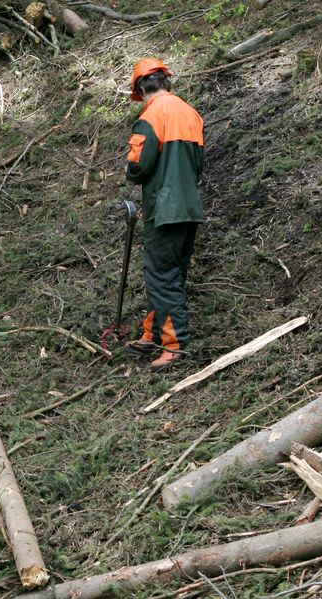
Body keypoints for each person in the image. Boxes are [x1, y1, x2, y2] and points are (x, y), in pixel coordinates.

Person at [123, 57, 205, 373]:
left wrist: (132, 170)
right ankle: (153, 334)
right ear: (165, 81)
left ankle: (174, 345)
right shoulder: (191, 113)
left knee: (161, 275)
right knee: (171, 273)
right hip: (188, 207)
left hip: (164, 210)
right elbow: (196, 165)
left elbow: (138, 164)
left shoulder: (153, 113)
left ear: (142, 88)